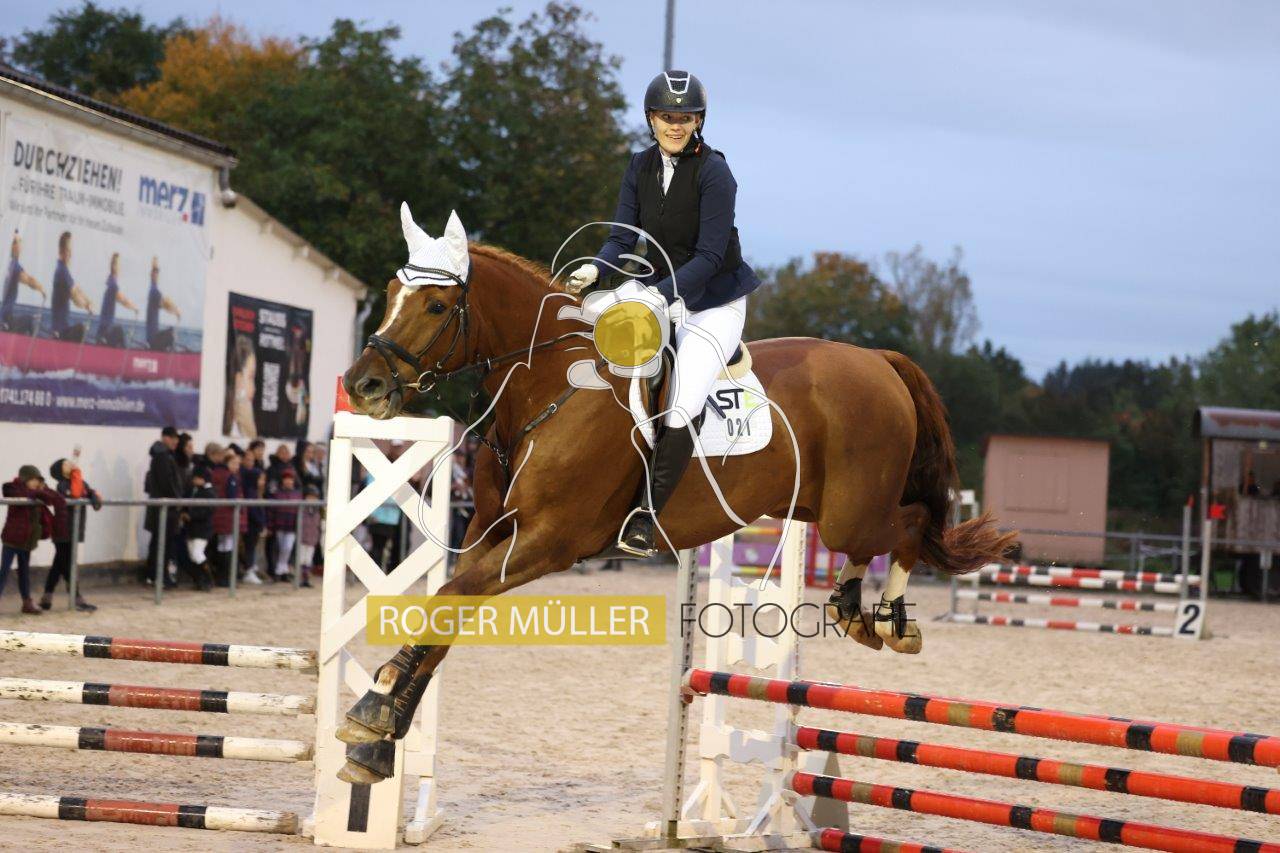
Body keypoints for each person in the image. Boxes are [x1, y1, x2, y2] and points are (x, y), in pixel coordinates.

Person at [566, 70, 762, 556]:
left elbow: (710, 256)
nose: (675, 125)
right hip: (658, 293)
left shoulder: (715, 173)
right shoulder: (639, 165)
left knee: (683, 399)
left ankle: (646, 517)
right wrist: (595, 268)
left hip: (711, 302)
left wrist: (661, 295)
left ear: (698, 122)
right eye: (666, 116)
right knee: (590, 343)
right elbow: (622, 236)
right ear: (651, 118)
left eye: (685, 117)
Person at [43, 455, 102, 611]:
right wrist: (77, 474)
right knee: (68, 565)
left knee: (58, 565)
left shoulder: (80, 482)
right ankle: (76, 598)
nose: (70, 463)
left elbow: (89, 493)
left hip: (74, 531)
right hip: (62, 531)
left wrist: (94, 497)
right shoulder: (62, 486)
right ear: (61, 472)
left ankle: (46, 597)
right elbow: (75, 494)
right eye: (65, 464)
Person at [2, 465, 62, 614]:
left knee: (24, 573)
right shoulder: (13, 488)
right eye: (33, 479)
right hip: (12, 539)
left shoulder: (38, 492)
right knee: (4, 572)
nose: (36, 482)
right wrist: (40, 492)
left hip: (27, 541)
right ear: (25, 479)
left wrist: (44, 489)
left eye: (38, 480)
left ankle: (27, 603)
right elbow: (12, 492)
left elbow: (54, 498)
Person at [143, 426, 183, 586]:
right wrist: (177, 500)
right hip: (165, 508)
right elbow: (167, 483)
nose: (175, 442)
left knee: (159, 542)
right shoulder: (162, 457)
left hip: (164, 507)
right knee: (162, 543)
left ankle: (154, 574)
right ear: (165, 437)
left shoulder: (164, 455)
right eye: (172, 438)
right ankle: (159, 575)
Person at [49, 231, 94, 342]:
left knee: (81, 330)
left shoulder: (63, 270)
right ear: (61, 252)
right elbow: (75, 298)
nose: (70, 254)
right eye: (68, 251)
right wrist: (87, 306)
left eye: (70, 251)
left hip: (63, 328)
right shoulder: (62, 271)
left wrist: (89, 301)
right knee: (81, 329)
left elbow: (77, 289)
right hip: (59, 332)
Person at [2, 231, 46, 333]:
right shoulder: (15, 266)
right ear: (13, 247)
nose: (21, 245)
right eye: (19, 242)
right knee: (30, 320)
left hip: (5, 315)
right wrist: (42, 289)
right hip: (7, 318)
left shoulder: (11, 265)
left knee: (28, 320)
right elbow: (29, 280)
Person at [95, 252, 138, 346]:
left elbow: (121, 299)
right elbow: (123, 300)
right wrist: (134, 308)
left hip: (104, 330)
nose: (118, 268)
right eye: (117, 265)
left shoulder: (110, 284)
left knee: (118, 332)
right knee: (119, 330)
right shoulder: (113, 285)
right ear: (113, 267)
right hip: (105, 331)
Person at [182, 465, 215, 591]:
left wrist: (191, 515)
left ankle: (208, 578)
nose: (193, 480)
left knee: (197, 553)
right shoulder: (194, 490)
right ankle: (199, 580)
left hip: (202, 528)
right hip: (192, 528)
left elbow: (206, 511)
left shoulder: (209, 493)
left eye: (196, 478)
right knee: (192, 554)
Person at [268, 468, 301, 583]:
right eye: (286, 479)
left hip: (292, 525)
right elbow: (272, 510)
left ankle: (279, 570)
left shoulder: (297, 494)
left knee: (287, 547)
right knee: (281, 548)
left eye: (290, 479)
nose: (288, 481)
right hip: (280, 524)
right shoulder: (277, 493)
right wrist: (270, 525)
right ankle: (282, 571)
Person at [241, 440, 267, 578]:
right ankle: (248, 569)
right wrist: (260, 521)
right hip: (251, 519)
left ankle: (251, 567)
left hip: (255, 519)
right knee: (249, 545)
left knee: (252, 544)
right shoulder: (250, 487)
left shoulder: (256, 491)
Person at [145, 256, 181, 351]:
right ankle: (171, 355)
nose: (156, 275)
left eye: (157, 273)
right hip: (153, 340)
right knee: (171, 332)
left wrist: (155, 264)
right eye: (154, 273)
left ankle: (167, 351)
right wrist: (176, 312)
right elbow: (166, 304)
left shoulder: (152, 289)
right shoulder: (154, 292)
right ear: (151, 275)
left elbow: (164, 303)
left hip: (152, 338)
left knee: (170, 330)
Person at [298, 484, 321, 588]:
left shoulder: (317, 511)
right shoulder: (302, 509)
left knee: (308, 560)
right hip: (302, 538)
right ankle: (300, 578)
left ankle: (306, 579)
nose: (312, 499)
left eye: (314, 497)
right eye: (310, 497)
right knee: (301, 559)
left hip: (312, 539)